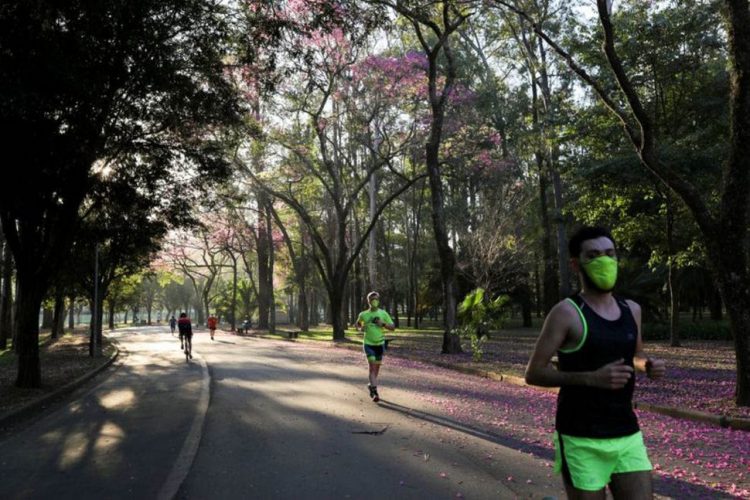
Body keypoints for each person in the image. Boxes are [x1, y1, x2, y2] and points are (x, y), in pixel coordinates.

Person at [525, 226, 666, 499]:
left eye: (610, 253)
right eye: (594, 255)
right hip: (580, 436)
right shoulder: (566, 313)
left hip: (626, 431)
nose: (604, 260)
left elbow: (636, 354)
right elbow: (534, 373)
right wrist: (591, 378)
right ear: (576, 264)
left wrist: (647, 364)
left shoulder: (631, 310)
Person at [356, 291, 395, 402]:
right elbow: (358, 324)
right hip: (368, 344)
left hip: (380, 344)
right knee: (372, 366)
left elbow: (392, 327)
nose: (375, 301)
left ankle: (371, 385)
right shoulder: (363, 314)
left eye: (376, 299)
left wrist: (383, 324)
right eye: (372, 299)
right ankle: (375, 391)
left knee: (376, 368)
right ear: (368, 301)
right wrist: (360, 328)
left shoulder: (383, 313)